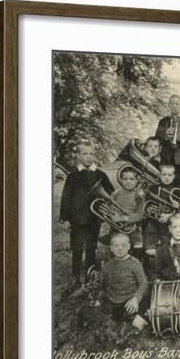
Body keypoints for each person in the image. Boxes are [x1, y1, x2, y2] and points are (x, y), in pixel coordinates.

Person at [59, 142, 114, 291]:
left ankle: (90, 275)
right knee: (77, 248)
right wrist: (64, 217)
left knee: (91, 247)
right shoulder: (72, 176)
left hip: (94, 218)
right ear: (78, 156)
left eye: (91, 154)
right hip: (77, 218)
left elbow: (111, 192)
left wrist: (106, 205)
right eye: (85, 154)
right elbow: (66, 197)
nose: (89, 157)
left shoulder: (100, 174)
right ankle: (76, 277)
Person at [78, 233, 149, 332]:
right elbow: (103, 285)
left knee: (137, 319)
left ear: (129, 246)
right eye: (116, 246)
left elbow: (143, 284)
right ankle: (113, 322)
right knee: (84, 311)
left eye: (123, 245)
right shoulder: (108, 265)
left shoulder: (135, 263)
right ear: (111, 248)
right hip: (112, 301)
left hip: (129, 301)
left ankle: (119, 323)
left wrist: (135, 299)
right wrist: (97, 296)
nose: (120, 248)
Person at [155, 94, 180, 185]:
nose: (174, 106)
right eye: (172, 103)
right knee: (165, 184)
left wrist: (177, 136)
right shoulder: (163, 121)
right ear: (169, 105)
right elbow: (157, 138)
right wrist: (165, 135)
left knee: (179, 184)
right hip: (166, 158)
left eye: (177, 104)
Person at [143, 164, 180, 256]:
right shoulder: (153, 189)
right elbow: (147, 206)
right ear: (159, 175)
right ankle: (151, 249)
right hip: (154, 220)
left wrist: (170, 214)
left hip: (169, 222)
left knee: (168, 245)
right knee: (149, 232)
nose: (167, 177)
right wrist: (154, 213)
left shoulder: (176, 191)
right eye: (164, 175)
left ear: (173, 177)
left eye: (170, 175)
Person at [107, 166, 145, 254]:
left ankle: (136, 265)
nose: (128, 181)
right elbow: (109, 210)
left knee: (137, 246)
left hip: (134, 228)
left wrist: (123, 218)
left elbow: (140, 215)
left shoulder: (139, 195)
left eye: (131, 179)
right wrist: (112, 215)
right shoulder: (115, 194)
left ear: (136, 181)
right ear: (121, 180)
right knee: (115, 244)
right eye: (125, 179)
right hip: (116, 228)